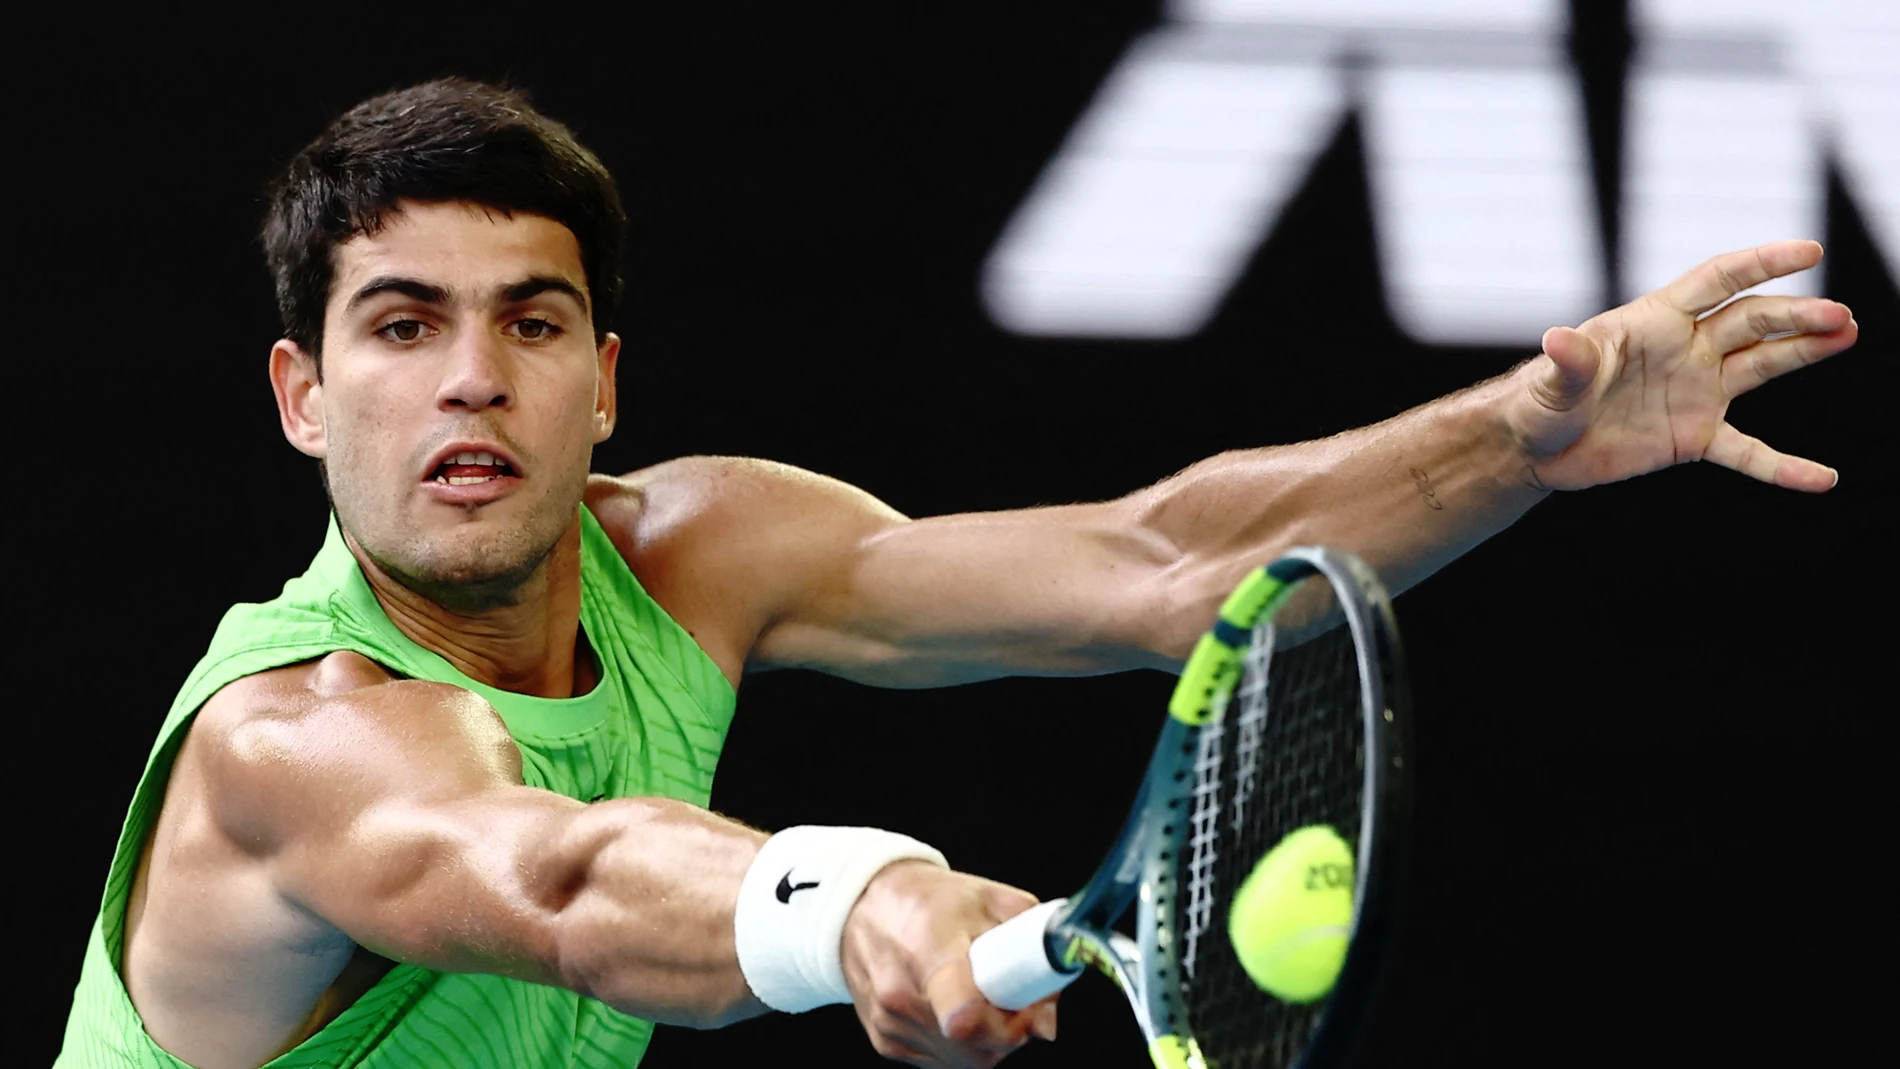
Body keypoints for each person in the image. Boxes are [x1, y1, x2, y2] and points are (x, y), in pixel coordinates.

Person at [57, 78, 1859, 1069]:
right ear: (302, 398)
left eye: (531, 323)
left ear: (601, 385)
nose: (471, 377)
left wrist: (1518, 441)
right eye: (398, 328)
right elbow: (555, 875)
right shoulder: (286, 745)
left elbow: (1170, 563)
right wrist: (857, 903)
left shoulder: (690, 554)